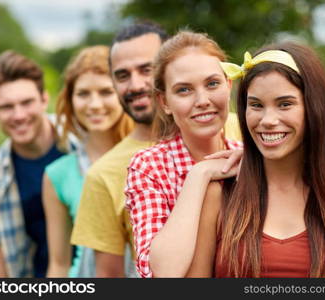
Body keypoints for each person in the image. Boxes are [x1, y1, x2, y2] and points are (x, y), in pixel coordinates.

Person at [188, 42, 325, 277]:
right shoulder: (219, 195)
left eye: (285, 104)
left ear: (315, 108)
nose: (268, 120)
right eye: (256, 105)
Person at [124, 31, 243, 278]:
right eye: (184, 90)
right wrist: (200, 174)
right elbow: (164, 274)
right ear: (164, 101)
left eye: (212, 84)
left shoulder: (248, 159)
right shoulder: (149, 167)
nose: (202, 100)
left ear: (228, 85)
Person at [70, 22, 168, 277]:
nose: (135, 85)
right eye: (123, 75)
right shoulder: (102, 175)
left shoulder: (236, 130)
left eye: (147, 69)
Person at [0, 51, 76, 277]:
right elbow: (3, 271)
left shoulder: (82, 145)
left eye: (26, 102)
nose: (19, 115)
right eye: (6, 107)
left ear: (44, 100)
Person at [42, 46, 133, 277]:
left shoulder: (149, 156)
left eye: (105, 92)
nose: (94, 104)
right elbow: (59, 264)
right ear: (70, 100)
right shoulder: (57, 174)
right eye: (83, 94)